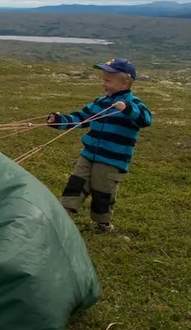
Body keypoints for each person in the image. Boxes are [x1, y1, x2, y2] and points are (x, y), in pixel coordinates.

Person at [46, 58, 153, 233]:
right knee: (76, 183)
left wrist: (127, 108)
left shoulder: (134, 104)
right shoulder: (99, 103)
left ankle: (103, 224)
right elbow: (81, 118)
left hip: (112, 160)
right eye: (103, 79)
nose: (103, 84)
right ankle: (64, 216)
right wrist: (59, 121)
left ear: (125, 82)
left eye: (108, 80)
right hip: (88, 154)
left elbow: (146, 119)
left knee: (102, 192)